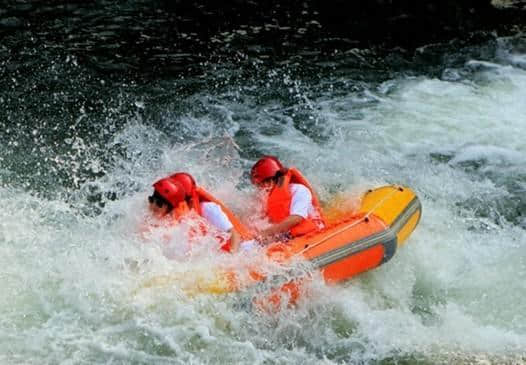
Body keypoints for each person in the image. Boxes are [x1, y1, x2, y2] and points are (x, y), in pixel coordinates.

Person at [147, 172, 251, 252]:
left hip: (242, 249)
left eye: (159, 204)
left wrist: (231, 258)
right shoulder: (174, 215)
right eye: (151, 200)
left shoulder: (208, 209)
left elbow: (235, 236)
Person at [250, 156, 326, 242]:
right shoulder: (266, 199)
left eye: (260, 185)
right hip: (290, 238)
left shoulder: (299, 190)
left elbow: (296, 218)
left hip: (312, 235)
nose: (259, 189)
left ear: (269, 182)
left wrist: (266, 233)